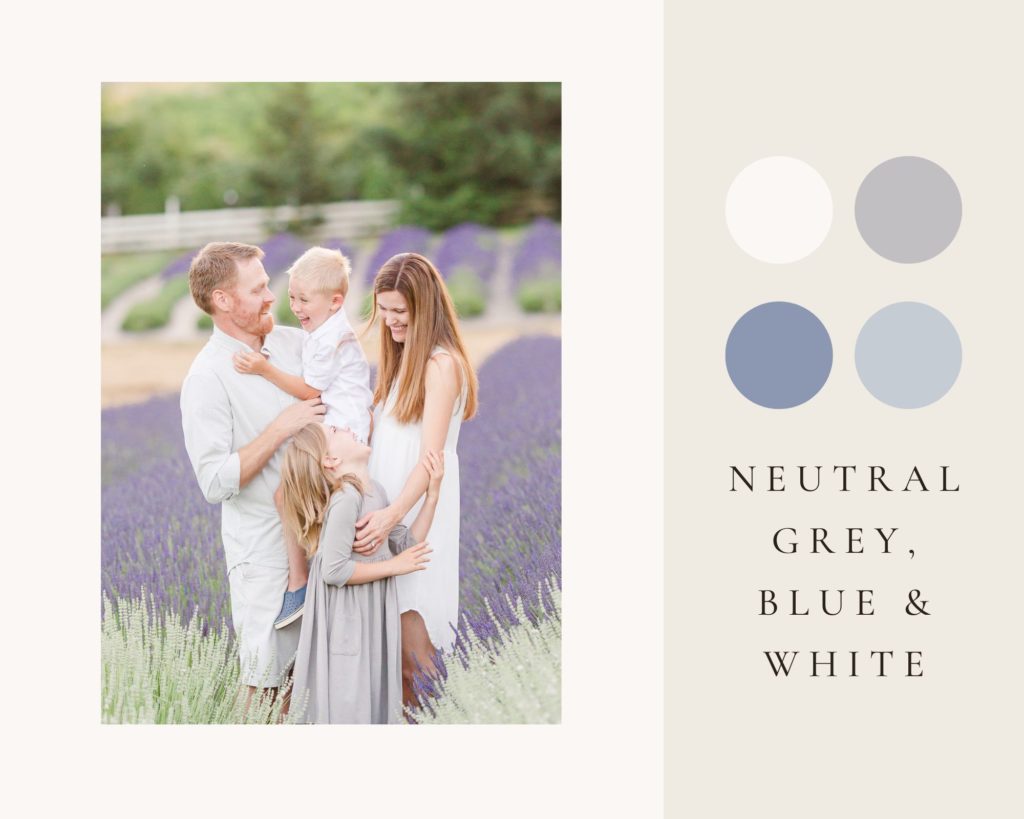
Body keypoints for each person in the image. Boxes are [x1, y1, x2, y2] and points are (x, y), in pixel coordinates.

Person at [180, 241, 325, 705]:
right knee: (266, 689)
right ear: (222, 300)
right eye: (258, 288)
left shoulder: (296, 344)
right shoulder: (207, 378)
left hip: (329, 540)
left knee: (322, 683)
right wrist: (282, 427)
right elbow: (214, 480)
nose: (271, 297)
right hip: (264, 557)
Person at [353, 252, 478, 707]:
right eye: (383, 311)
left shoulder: (441, 365)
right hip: (390, 511)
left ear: (424, 308)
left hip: (416, 512)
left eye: (399, 313)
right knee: (395, 660)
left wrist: (390, 516)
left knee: (417, 652)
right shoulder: (402, 361)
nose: (388, 322)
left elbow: (431, 459)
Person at [232, 246, 373, 630]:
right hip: (339, 428)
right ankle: (310, 577)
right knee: (298, 499)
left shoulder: (330, 338)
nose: (295, 306)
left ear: (336, 301)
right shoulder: (324, 328)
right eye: (292, 297)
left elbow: (311, 389)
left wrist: (264, 368)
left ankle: (300, 583)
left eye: (304, 299)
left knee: (287, 495)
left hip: (340, 433)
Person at [280, 423, 444, 723]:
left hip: (367, 614)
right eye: (334, 431)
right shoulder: (346, 498)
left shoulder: (375, 491)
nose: (343, 427)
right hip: (347, 620)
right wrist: (394, 567)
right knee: (349, 700)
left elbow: (407, 545)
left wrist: (431, 496)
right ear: (331, 461)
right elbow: (332, 569)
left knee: (369, 696)